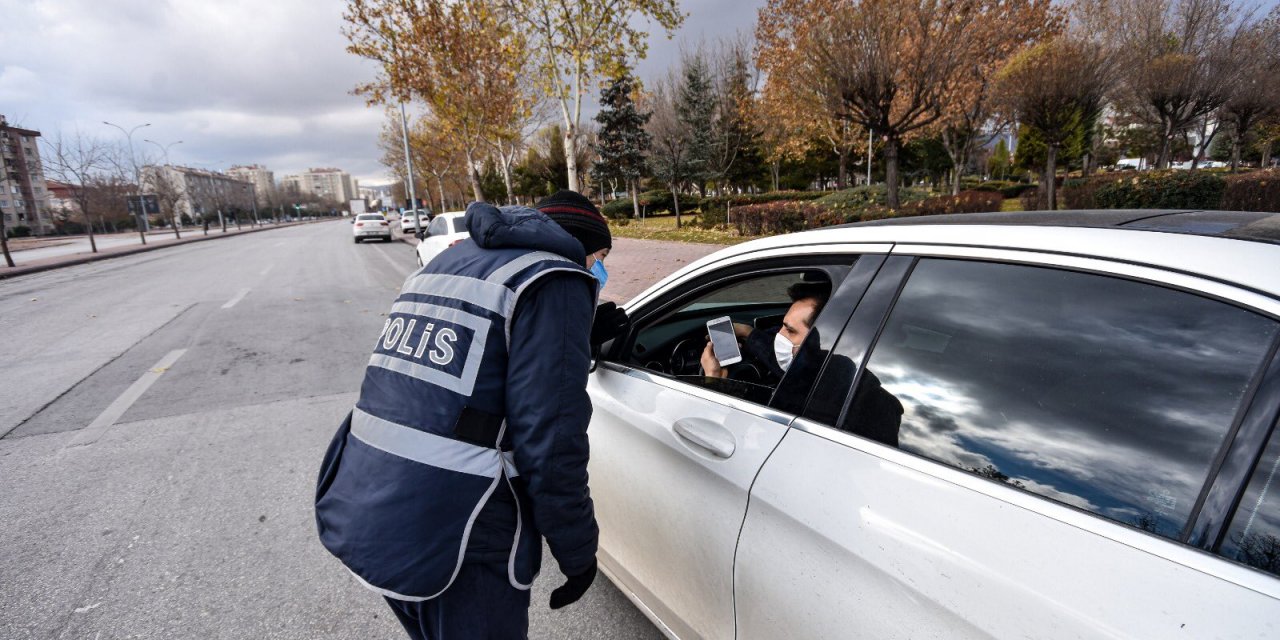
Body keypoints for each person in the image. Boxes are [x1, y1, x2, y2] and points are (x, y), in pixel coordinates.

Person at [315, 190, 628, 640]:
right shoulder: (555, 278)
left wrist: (568, 338)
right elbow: (552, 445)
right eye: (599, 256)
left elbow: (462, 365)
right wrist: (576, 552)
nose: (599, 268)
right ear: (578, 245)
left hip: (367, 501)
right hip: (456, 528)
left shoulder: (448, 262)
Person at [700, 280, 831, 383]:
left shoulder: (806, 392)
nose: (779, 335)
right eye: (782, 326)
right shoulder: (837, 368)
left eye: (790, 330)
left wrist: (713, 378)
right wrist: (748, 332)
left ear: (820, 340)